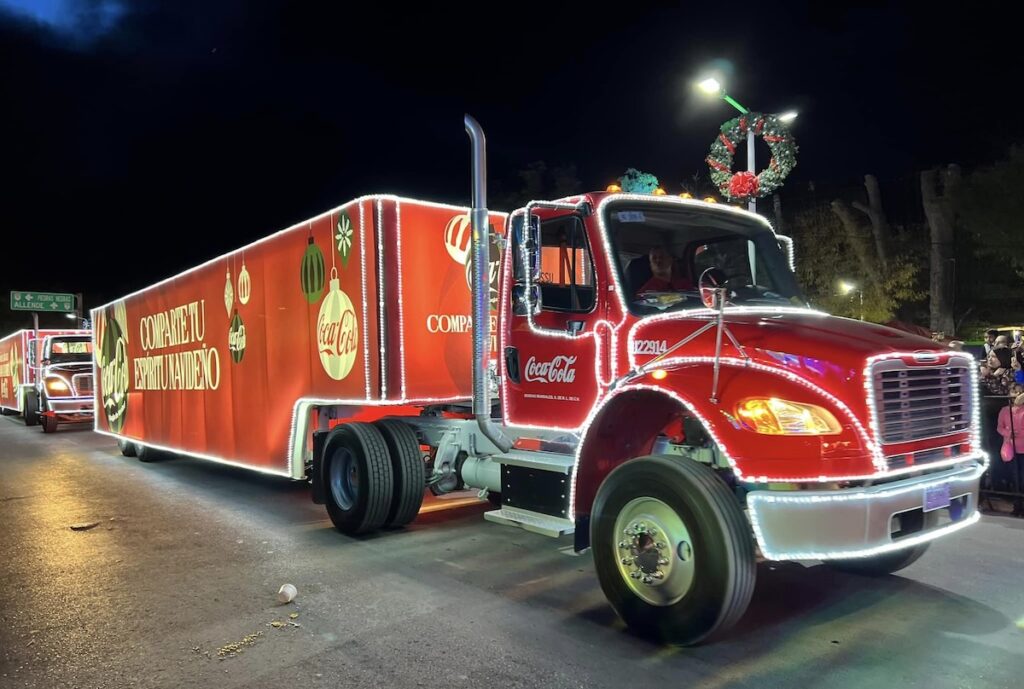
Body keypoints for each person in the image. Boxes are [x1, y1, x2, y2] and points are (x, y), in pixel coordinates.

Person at [996, 391, 1024, 462]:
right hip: (1010, 448)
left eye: (1020, 392)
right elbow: (999, 428)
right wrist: (1008, 433)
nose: (1017, 394)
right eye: (1014, 391)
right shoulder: (1004, 410)